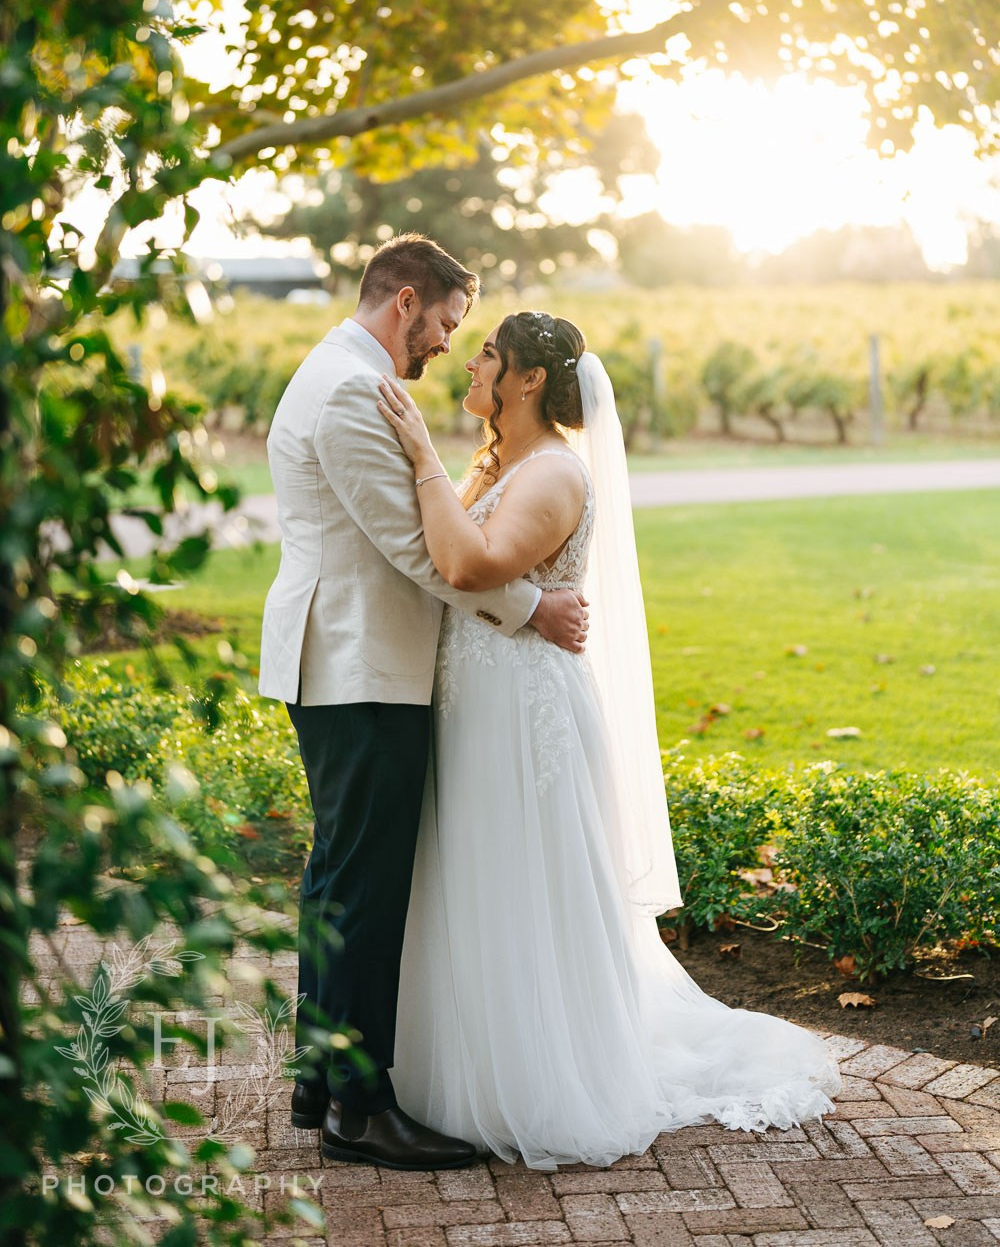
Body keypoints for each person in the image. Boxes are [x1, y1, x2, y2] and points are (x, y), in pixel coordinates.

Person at [376, 309, 841, 1170]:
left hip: (523, 711)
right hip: (477, 699)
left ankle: (544, 1079)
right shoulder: (506, 465)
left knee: (523, 886)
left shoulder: (553, 474)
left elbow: (471, 567)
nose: (468, 366)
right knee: (473, 878)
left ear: (526, 381)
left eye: (485, 356)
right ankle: (461, 1066)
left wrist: (422, 461)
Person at [258, 240, 589, 1172]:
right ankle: (360, 1108)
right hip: (361, 668)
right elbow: (422, 553)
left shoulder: (347, 373)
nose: (448, 344)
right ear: (406, 302)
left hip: (352, 664)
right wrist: (535, 608)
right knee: (362, 891)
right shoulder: (352, 391)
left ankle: (321, 1081)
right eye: (445, 324)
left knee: (336, 880)